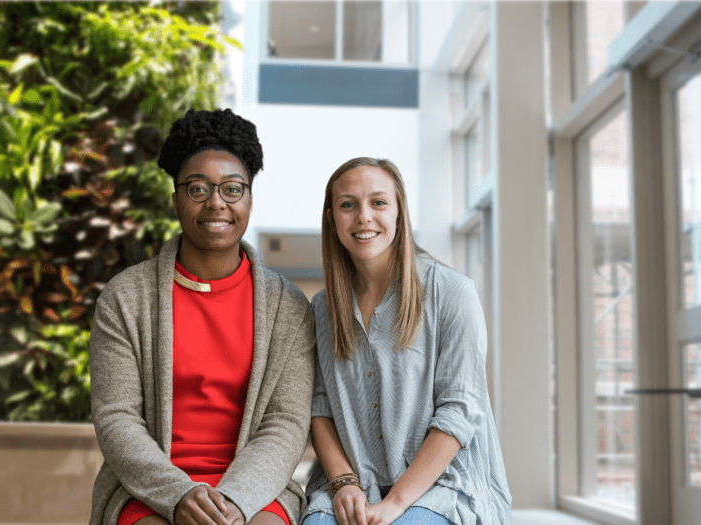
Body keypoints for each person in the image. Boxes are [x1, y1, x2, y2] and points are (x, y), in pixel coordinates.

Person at [89, 109, 316, 525]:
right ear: (174, 199)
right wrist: (180, 494)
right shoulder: (126, 298)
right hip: (152, 490)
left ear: (249, 199)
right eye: (198, 188)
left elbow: (286, 424)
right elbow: (117, 418)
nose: (216, 202)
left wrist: (233, 500)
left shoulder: (289, 308)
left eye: (232, 189)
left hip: (256, 491)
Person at [301, 158, 511, 525]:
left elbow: (459, 411)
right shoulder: (322, 308)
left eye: (378, 202)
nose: (364, 216)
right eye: (348, 204)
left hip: (443, 485)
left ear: (400, 213)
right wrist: (344, 483)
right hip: (351, 484)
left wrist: (396, 504)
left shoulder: (452, 293)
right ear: (332, 219)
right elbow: (319, 407)